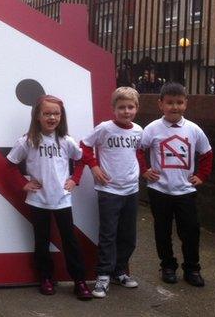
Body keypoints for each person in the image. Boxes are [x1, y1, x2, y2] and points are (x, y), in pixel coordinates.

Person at [6, 95, 93, 301]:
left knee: (69, 241)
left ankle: (79, 280)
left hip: (62, 199)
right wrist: (23, 184)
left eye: (56, 114)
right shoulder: (27, 140)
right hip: (38, 200)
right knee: (42, 240)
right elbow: (9, 165)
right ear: (37, 116)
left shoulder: (66, 140)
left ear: (61, 117)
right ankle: (45, 277)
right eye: (47, 113)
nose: (52, 117)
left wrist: (75, 180)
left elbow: (82, 160)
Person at [141, 82, 213, 287]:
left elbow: (207, 153)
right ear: (160, 104)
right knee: (162, 231)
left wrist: (202, 175)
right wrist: (144, 170)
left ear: (186, 104)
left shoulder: (193, 129)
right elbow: (138, 150)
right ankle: (168, 265)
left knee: (191, 230)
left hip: (185, 190)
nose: (175, 107)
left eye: (179, 102)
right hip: (159, 190)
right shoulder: (153, 128)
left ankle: (192, 268)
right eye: (170, 103)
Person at [81, 87, 145, 298]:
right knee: (108, 234)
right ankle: (103, 275)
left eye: (130, 107)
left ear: (136, 108)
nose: (126, 111)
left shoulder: (138, 130)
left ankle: (120, 271)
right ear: (113, 108)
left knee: (128, 235)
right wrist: (94, 166)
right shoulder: (105, 128)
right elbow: (84, 145)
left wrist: (144, 171)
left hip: (131, 189)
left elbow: (139, 153)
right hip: (109, 190)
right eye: (121, 107)